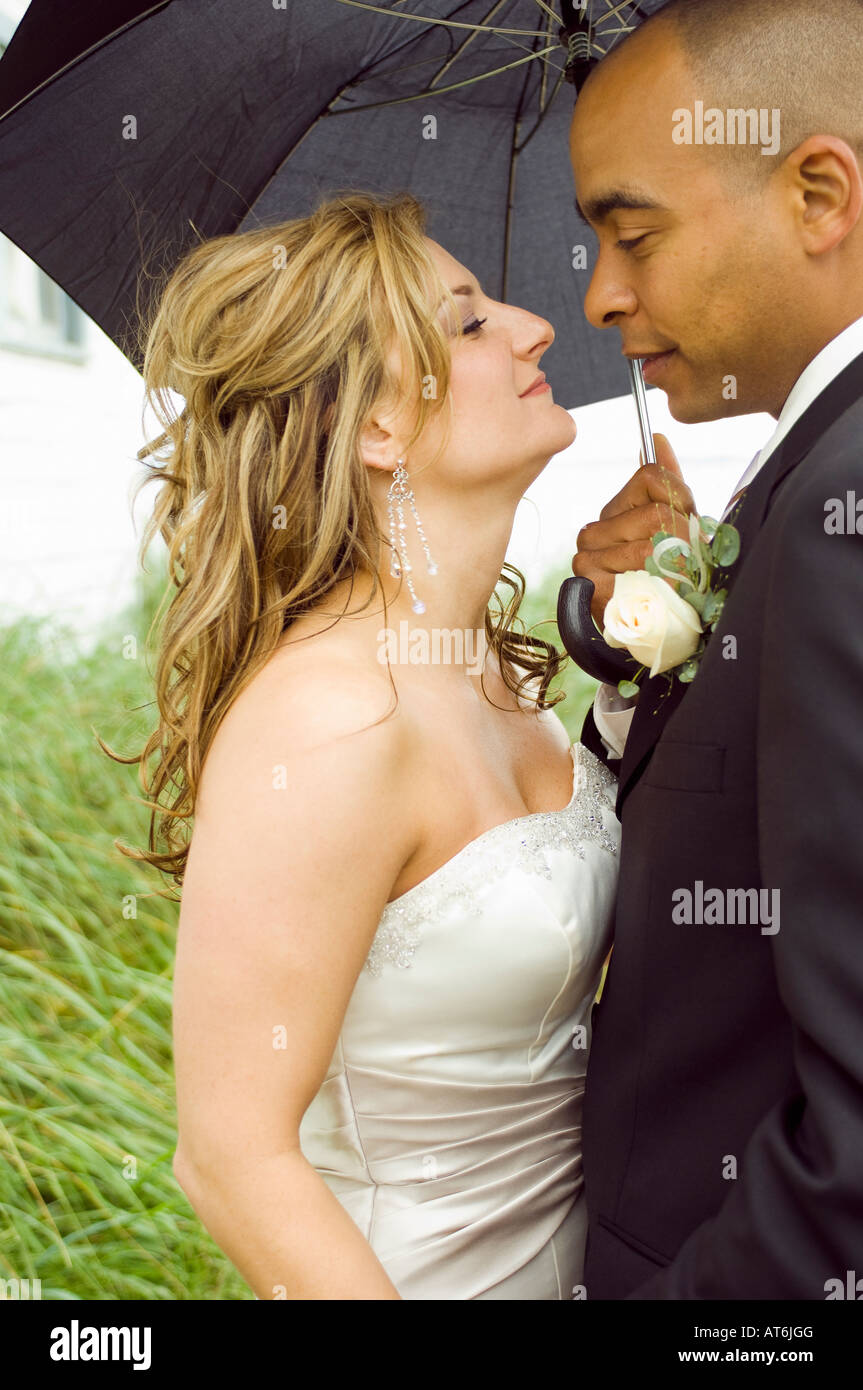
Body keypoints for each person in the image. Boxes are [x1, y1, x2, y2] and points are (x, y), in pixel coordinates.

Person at [119, 192, 621, 1299]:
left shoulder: (487, 669)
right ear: (377, 428)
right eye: (470, 323)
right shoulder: (327, 722)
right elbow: (230, 1160)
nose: (536, 325)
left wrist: (632, 641)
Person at [568, 0, 863, 1297]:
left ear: (815, 193)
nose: (595, 296)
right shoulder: (803, 477)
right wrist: (628, 640)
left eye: (630, 235)